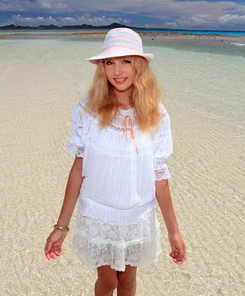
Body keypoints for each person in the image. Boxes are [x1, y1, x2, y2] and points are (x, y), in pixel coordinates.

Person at [44, 27, 186, 296]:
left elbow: (159, 176)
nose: (117, 70)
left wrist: (173, 232)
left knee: (128, 282)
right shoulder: (87, 110)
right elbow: (78, 170)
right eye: (110, 62)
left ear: (139, 66)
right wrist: (61, 226)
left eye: (126, 61)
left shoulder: (157, 114)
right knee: (108, 282)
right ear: (102, 67)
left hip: (137, 217)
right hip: (99, 215)